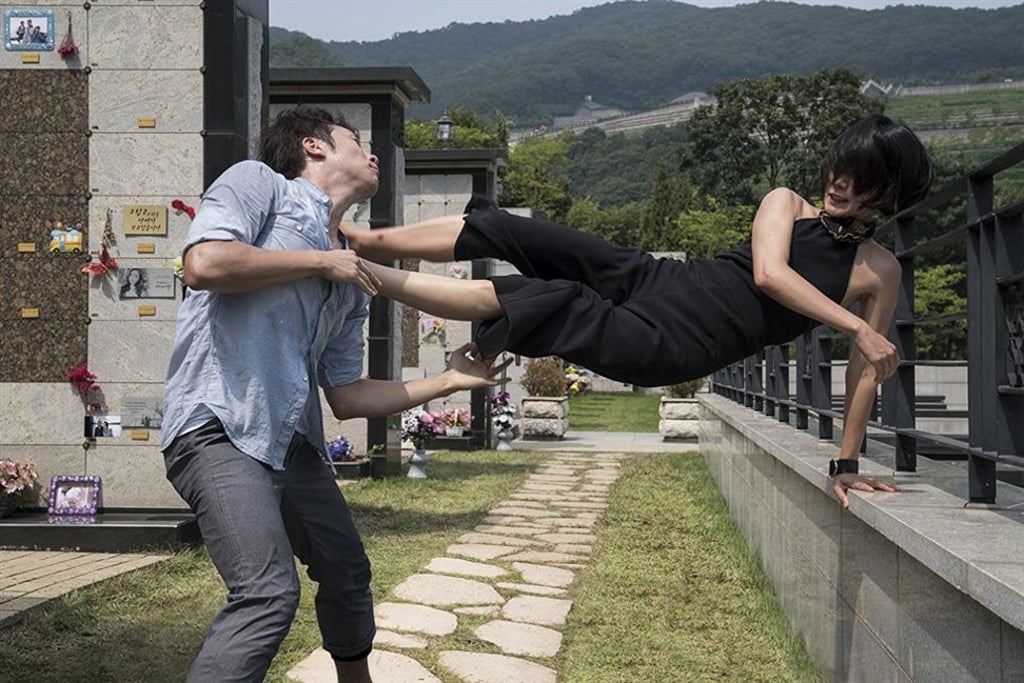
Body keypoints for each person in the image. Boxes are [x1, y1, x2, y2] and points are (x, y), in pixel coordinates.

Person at [344, 114, 934, 509]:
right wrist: (855, 325)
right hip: (661, 278)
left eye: (859, 181)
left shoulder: (877, 269)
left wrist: (847, 460)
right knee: (531, 235)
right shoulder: (786, 202)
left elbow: (864, 370)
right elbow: (768, 274)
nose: (840, 185)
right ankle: (365, 242)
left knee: (547, 298)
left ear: (885, 191)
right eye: (838, 169)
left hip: (679, 340)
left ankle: (366, 273)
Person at [160, 106, 508, 683]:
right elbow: (205, 262)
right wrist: (323, 260)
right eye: (356, 141)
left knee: (346, 569)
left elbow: (347, 396)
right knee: (267, 593)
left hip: (290, 444)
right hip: (218, 427)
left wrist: (449, 380)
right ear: (313, 147)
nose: (372, 154)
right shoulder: (260, 185)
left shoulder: (353, 276)